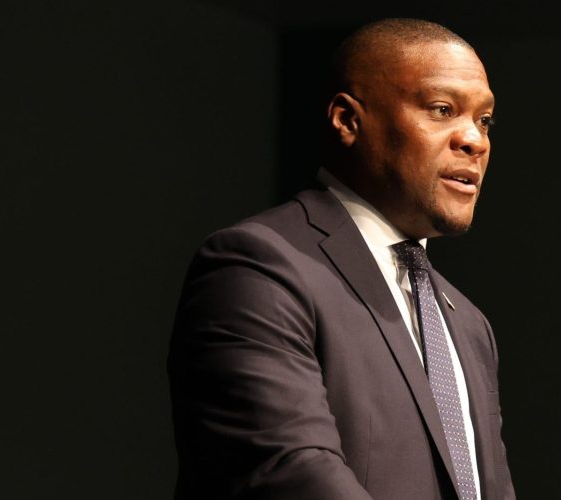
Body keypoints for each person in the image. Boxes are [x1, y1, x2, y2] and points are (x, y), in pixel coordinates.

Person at [167, 18, 515, 500]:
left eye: (484, 120)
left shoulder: (469, 325)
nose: (475, 141)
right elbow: (288, 470)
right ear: (348, 120)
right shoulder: (260, 266)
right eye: (442, 109)